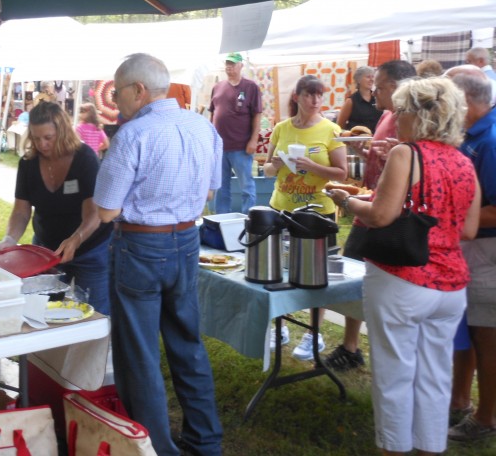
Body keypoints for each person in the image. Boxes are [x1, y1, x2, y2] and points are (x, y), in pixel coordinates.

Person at [327, 75, 480, 456]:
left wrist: (346, 202)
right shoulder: (463, 161)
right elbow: (470, 228)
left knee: (394, 376)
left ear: (417, 115)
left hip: (403, 280)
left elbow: (380, 215)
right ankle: (430, 448)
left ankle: (394, 450)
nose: (394, 118)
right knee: (434, 376)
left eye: (399, 111)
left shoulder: (405, 155)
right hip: (451, 286)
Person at [94, 53, 223, 456]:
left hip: (141, 247)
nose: (115, 101)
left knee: (140, 353)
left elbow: (106, 211)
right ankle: (206, 442)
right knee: (188, 343)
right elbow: (209, 191)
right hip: (186, 241)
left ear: (139, 90)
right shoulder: (202, 126)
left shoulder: (132, 135)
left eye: (117, 93)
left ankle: (156, 449)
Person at [324, 59, 416, 372]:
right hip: (372, 200)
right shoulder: (389, 113)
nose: (373, 90)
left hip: (387, 213)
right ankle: (351, 345)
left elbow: (412, 161)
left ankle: (374, 351)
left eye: (379, 84)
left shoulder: (411, 117)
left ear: (396, 85)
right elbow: (388, 156)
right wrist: (366, 153)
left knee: (376, 280)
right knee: (354, 272)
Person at [0, 101, 112, 314]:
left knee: (95, 311)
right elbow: (21, 211)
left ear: (63, 132)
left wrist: (75, 239)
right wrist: (10, 238)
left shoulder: (84, 158)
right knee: (43, 309)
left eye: (48, 137)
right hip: (47, 249)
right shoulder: (28, 164)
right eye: (36, 138)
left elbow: (93, 213)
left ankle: (101, 348)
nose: (42, 144)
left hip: (91, 248)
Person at [263, 74, 347, 359]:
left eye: (319, 95)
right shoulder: (281, 129)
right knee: (281, 269)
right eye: (310, 95)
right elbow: (267, 171)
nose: (315, 101)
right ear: (297, 97)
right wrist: (274, 165)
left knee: (318, 274)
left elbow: (342, 174)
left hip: (317, 213)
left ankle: (314, 333)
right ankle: (282, 325)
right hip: (282, 208)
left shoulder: (331, 130)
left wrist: (312, 165)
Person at [445, 68, 496, 441]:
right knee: (468, 330)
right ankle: (459, 400)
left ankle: (486, 418)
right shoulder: (473, 133)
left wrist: (445, 213)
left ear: (464, 99)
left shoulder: (491, 139)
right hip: (470, 246)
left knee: (487, 335)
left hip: (487, 250)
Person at [209, 52, 262, 214]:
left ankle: (248, 218)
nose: (229, 67)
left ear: (241, 66)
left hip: (241, 146)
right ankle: (221, 219)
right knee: (221, 185)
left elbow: (257, 114)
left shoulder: (250, 87)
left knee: (246, 185)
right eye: (227, 64)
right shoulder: (217, 87)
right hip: (220, 147)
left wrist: (253, 140)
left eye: (232, 64)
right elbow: (213, 114)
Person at [336, 65, 381, 131]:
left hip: (376, 138)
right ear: (358, 80)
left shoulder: (378, 98)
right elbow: (340, 125)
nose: (371, 80)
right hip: (357, 139)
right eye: (368, 77)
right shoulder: (351, 101)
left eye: (372, 77)